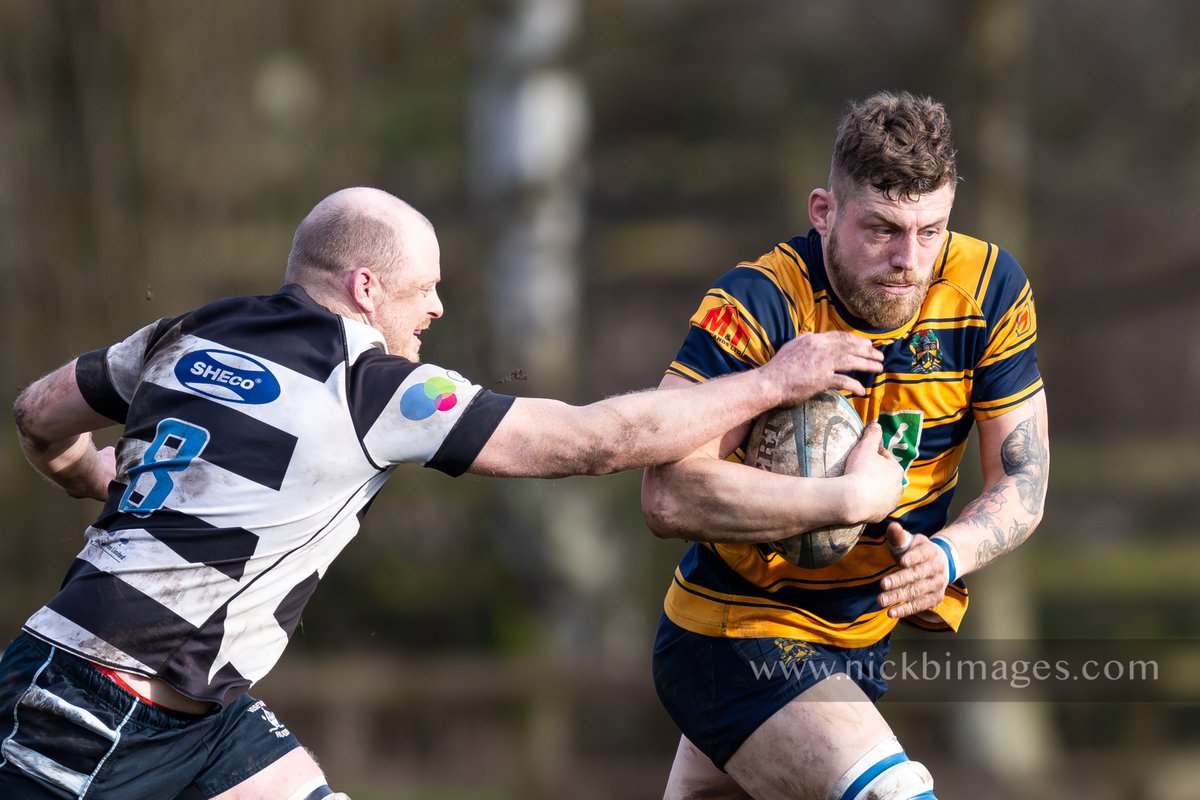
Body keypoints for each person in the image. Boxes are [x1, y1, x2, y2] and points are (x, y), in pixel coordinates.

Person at [1, 186, 898, 800]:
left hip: (202, 715)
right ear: (365, 288)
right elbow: (599, 441)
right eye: (424, 291)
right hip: (92, 704)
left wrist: (99, 479)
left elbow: (39, 413)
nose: (434, 312)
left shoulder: (184, 333)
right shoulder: (375, 387)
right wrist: (777, 381)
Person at [642, 91, 1050, 800]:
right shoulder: (758, 304)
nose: (909, 259)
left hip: (858, 643)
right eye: (883, 229)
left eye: (931, 230)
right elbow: (667, 492)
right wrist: (846, 500)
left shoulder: (990, 287)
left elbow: (1025, 478)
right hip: (736, 633)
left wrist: (949, 554)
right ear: (823, 211)